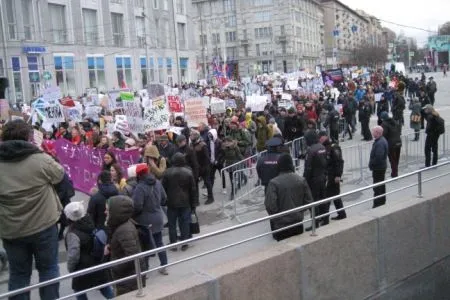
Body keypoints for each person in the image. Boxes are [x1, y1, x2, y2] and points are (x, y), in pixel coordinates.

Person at [0, 119, 65, 299]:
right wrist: (39, 150)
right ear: (28, 138)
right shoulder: (38, 159)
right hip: (44, 224)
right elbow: (59, 174)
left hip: (12, 230)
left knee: (19, 275)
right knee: (49, 269)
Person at [64, 202, 113, 300]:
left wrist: (71, 268)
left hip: (81, 267)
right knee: (104, 287)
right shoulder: (89, 222)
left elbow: (73, 255)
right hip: (97, 261)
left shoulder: (72, 233)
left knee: (80, 291)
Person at [264, 154, 313, 241]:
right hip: (298, 223)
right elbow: (309, 201)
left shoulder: (274, 183)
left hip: (281, 225)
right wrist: (299, 211)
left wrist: (278, 217)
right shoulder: (301, 180)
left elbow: (270, 206)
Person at [132, 164, 169, 275]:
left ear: (138, 175)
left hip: (145, 220)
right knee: (159, 242)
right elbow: (164, 199)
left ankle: (146, 270)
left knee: (146, 244)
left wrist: (134, 215)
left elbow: (137, 206)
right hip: (158, 217)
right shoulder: (157, 182)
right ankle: (164, 265)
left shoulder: (140, 187)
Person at [105, 196, 146, 296]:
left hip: (128, 279)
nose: (105, 212)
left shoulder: (124, 230)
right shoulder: (122, 225)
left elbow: (132, 257)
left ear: (116, 211)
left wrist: (114, 267)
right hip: (129, 277)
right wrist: (111, 247)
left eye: (107, 209)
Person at [161, 153, 198, 251]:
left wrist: (164, 201)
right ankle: (184, 243)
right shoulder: (188, 172)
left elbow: (163, 189)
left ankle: (173, 244)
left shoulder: (167, 173)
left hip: (171, 203)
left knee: (172, 224)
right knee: (184, 223)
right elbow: (193, 190)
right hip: (185, 202)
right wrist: (193, 204)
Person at [319, 132, 346, 221]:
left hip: (333, 176)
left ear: (325, 137)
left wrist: (338, 175)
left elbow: (339, 162)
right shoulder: (325, 146)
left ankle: (325, 218)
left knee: (327, 196)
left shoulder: (334, 147)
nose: (320, 139)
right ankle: (341, 214)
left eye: (321, 137)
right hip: (330, 175)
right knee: (335, 196)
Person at [303, 130, 327, 229]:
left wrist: (305, 180)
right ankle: (325, 219)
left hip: (313, 179)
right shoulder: (322, 147)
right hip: (322, 176)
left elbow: (308, 167)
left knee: (313, 202)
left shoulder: (311, 150)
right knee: (322, 199)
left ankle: (315, 222)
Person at [190, 129, 214, 205]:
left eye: (192, 135)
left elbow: (207, 158)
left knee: (207, 182)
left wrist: (204, 167)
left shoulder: (202, 145)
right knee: (195, 184)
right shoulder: (191, 144)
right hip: (196, 168)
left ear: (196, 136)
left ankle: (211, 198)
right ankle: (196, 200)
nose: (190, 136)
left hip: (204, 167)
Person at [369, 126, 388, 208]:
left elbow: (378, 157)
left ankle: (377, 204)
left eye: (373, 132)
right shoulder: (381, 140)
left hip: (378, 168)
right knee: (381, 185)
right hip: (381, 167)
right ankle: (382, 201)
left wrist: (372, 164)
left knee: (377, 187)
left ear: (378, 133)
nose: (372, 133)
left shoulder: (380, 143)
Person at [380, 112, 402, 178]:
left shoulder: (384, 124)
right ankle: (395, 171)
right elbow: (399, 130)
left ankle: (394, 173)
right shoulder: (394, 121)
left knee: (392, 159)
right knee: (396, 159)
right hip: (398, 142)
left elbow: (384, 134)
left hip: (391, 144)